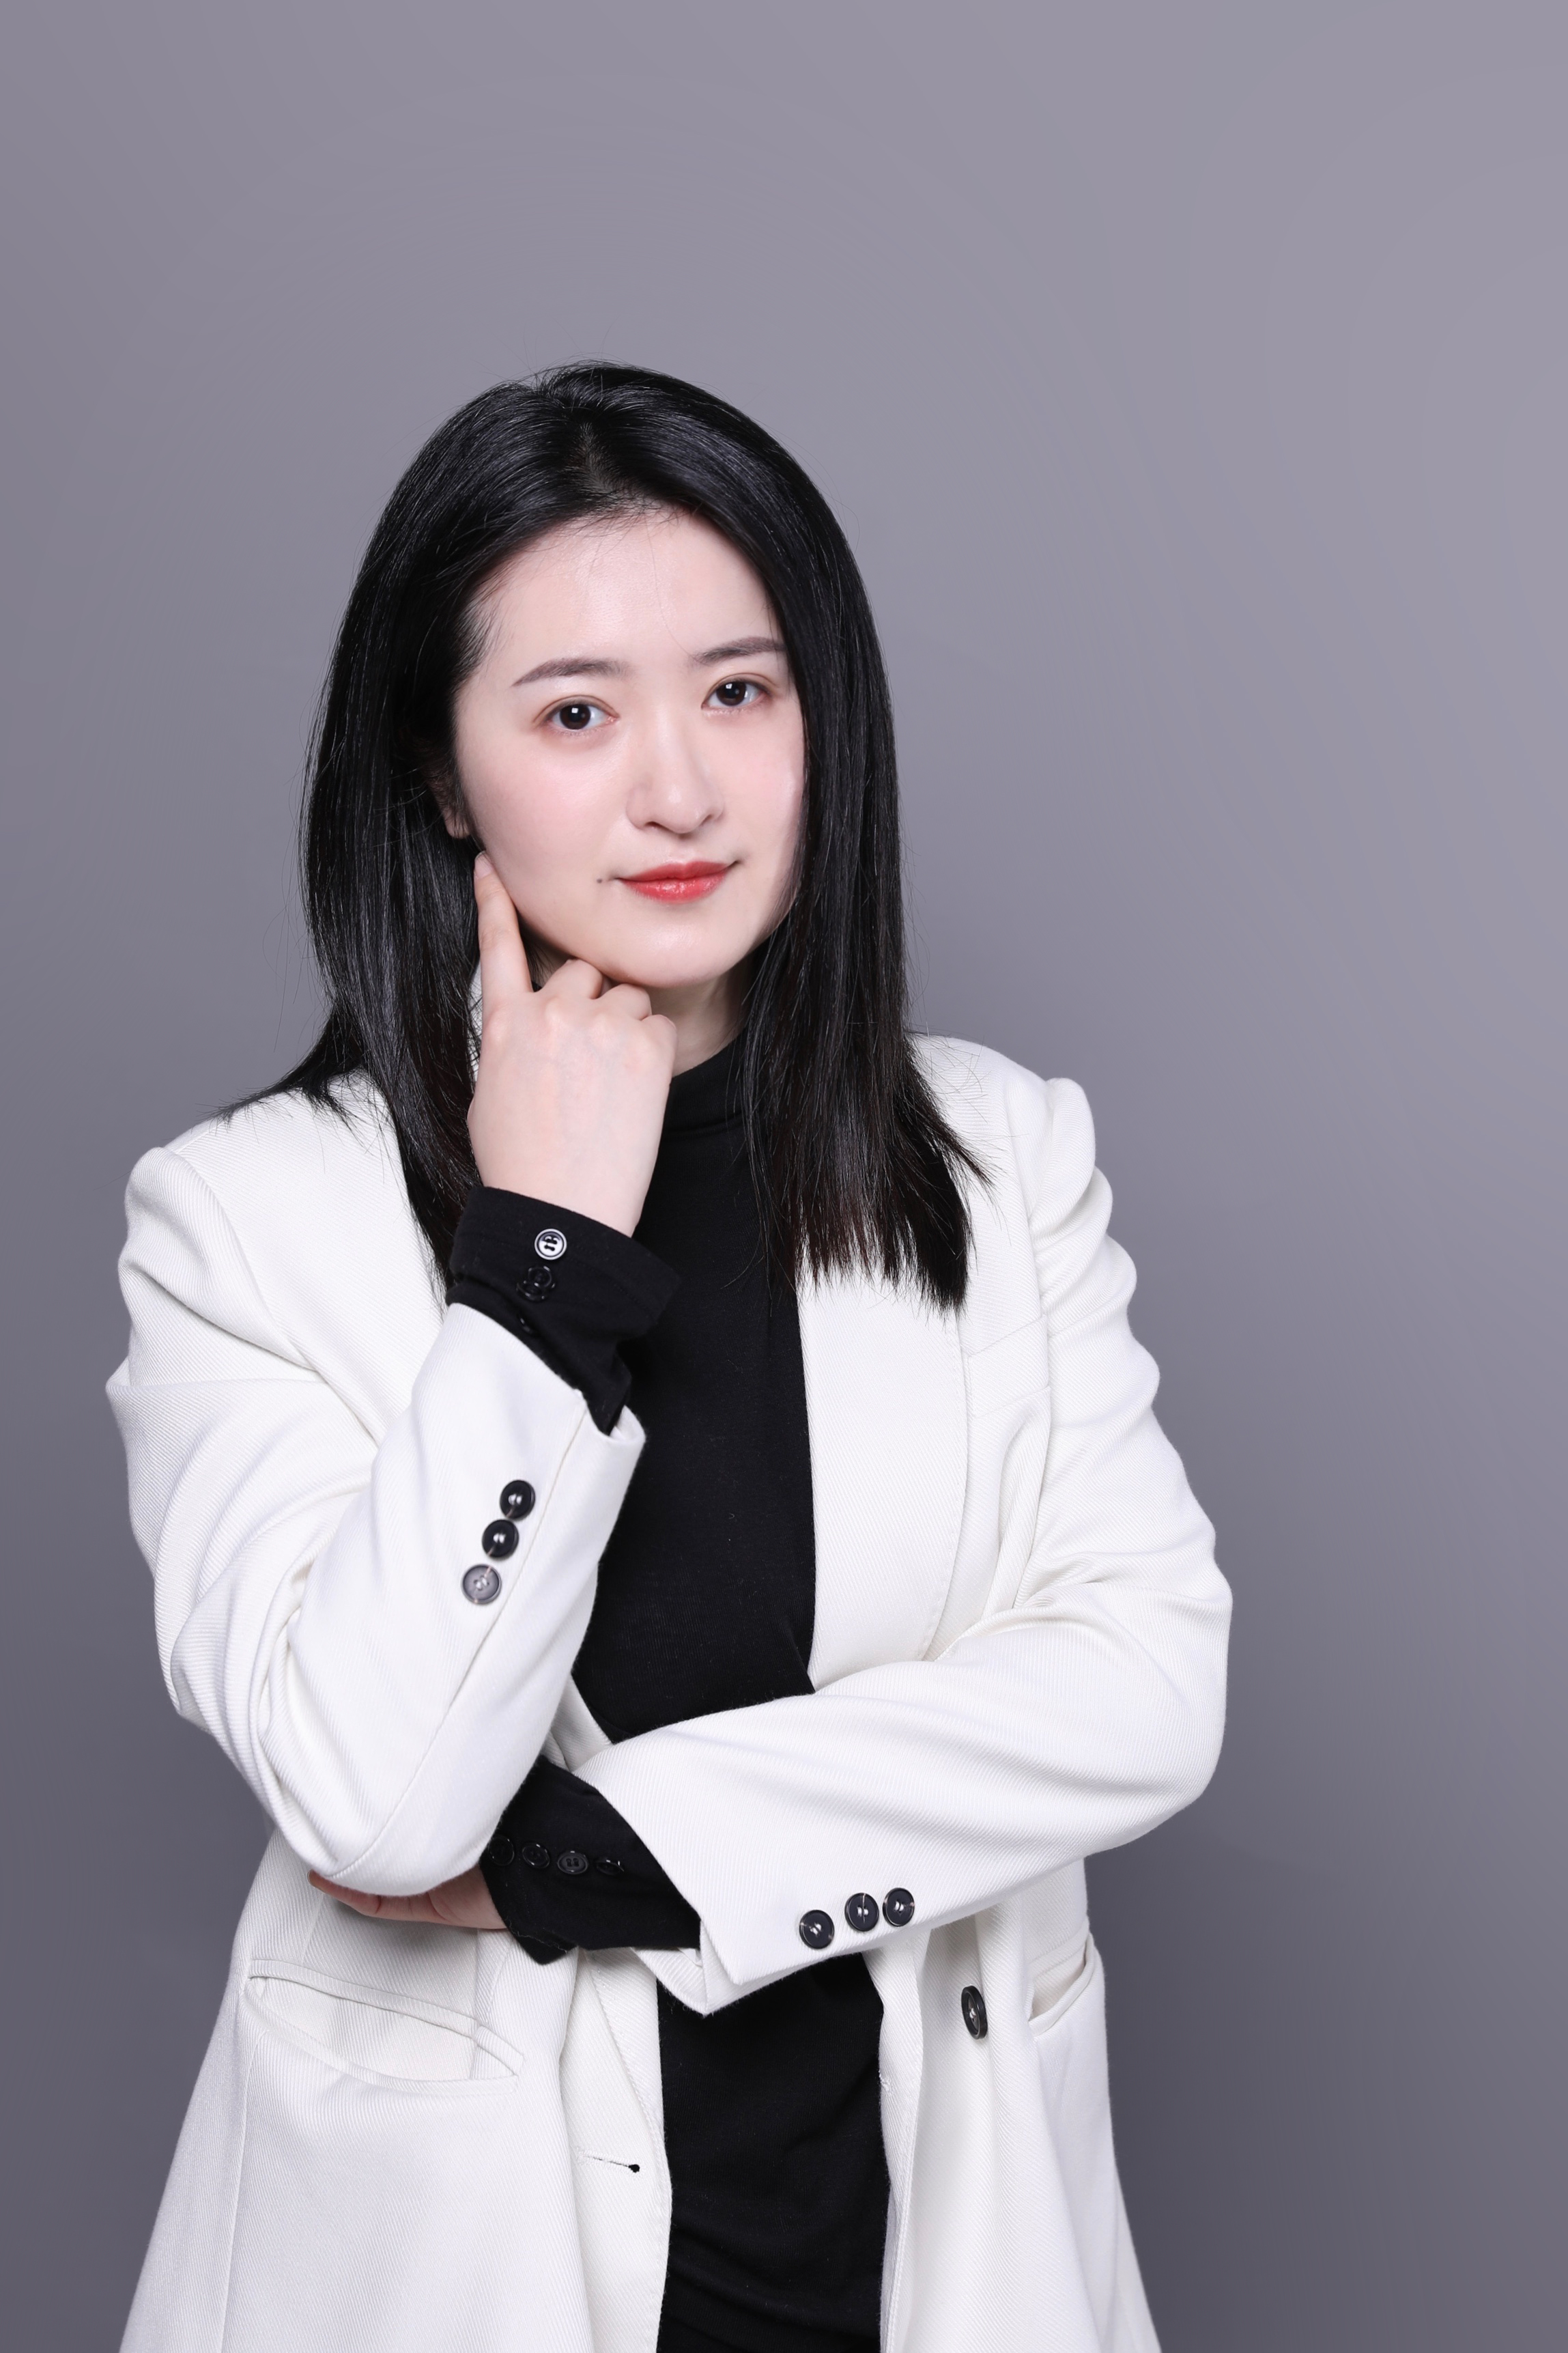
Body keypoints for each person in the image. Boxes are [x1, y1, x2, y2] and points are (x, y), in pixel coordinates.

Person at [109, 364, 1231, 2353]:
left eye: (738, 691)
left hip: (929, 2267)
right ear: (439, 773)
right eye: (575, 714)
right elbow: (376, 1803)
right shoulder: (246, 1220)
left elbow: (1144, 1686)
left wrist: (592, 1857)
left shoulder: (996, 1154)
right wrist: (544, 1262)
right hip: (452, 2286)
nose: (681, 791)